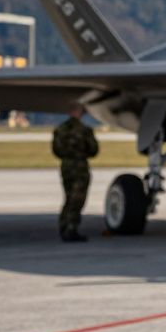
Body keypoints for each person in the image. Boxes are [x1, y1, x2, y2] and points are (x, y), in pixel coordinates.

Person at [51, 103, 99, 242]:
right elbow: (93, 150)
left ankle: (63, 225)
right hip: (80, 167)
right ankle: (71, 228)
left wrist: (67, 156)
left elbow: (56, 150)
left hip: (66, 166)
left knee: (68, 197)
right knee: (77, 199)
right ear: (79, 113)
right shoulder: (84, 130)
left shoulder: (60, 129)